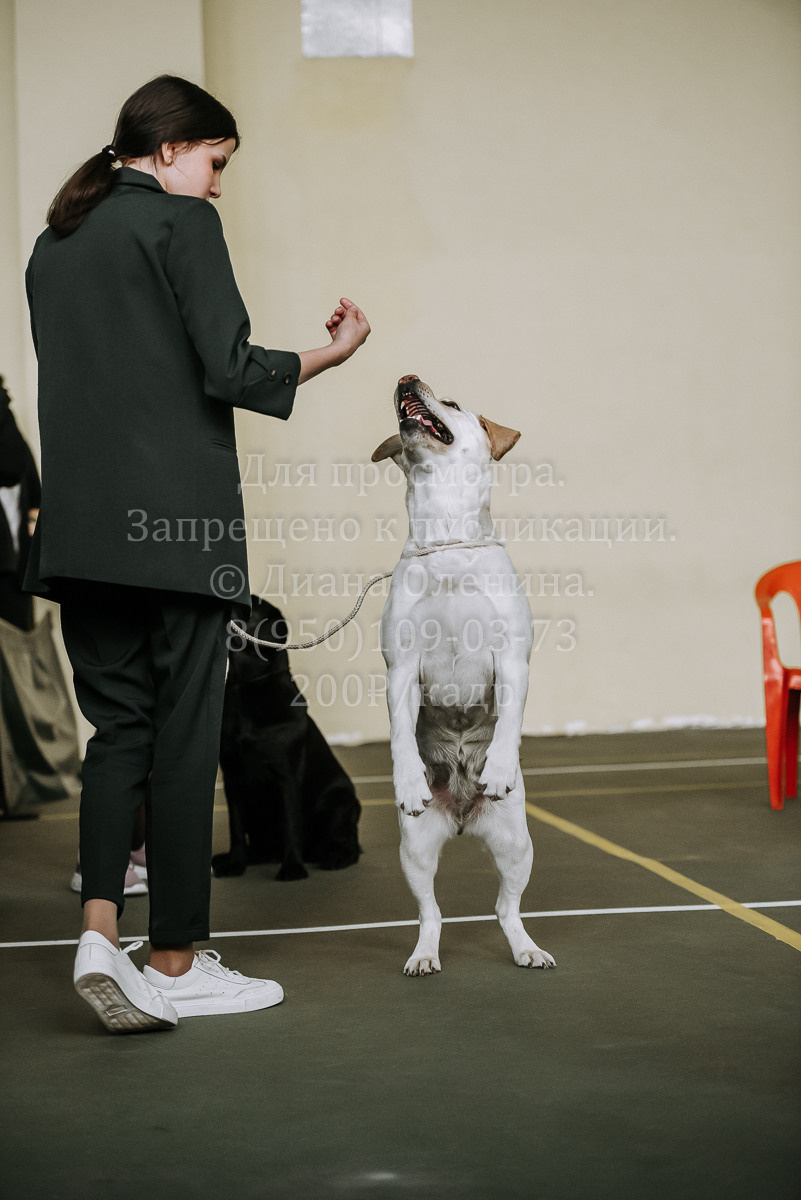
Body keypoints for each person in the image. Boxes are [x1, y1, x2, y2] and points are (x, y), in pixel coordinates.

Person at [24, 74, 370, 1033]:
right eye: (215, 163)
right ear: (171, 149)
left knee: (118, 738)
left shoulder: (53, 247)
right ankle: (173, 959)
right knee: (181, 743)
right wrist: (331, 354)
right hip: (176, 535)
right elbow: (230, 367)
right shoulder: (181, 227)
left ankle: (101, 933)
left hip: (83, 535)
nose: (217, 185)